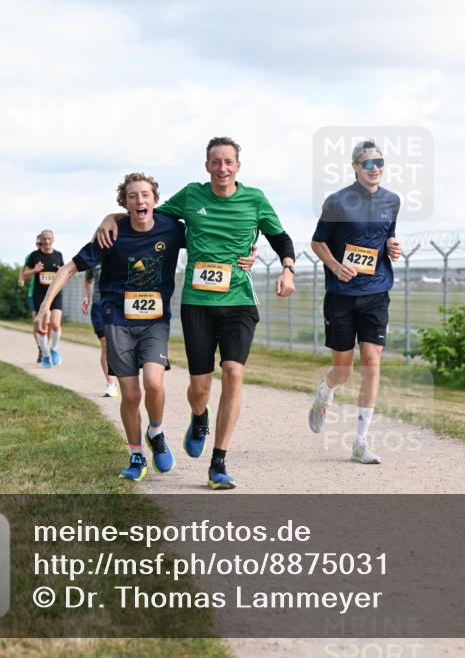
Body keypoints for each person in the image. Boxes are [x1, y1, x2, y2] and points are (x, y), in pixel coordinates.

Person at [96, 137, 296, 490]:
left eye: (228, 162)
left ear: (238, 166)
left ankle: (219, 462)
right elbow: (147, 214)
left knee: (233, 372)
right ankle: (199, 417)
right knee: (199, 387)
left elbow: (281, 238)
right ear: (207, 166)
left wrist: (287, 268)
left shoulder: (255, 199)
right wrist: (109, 217)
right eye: (215, 162)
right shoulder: (191, 196)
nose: (222, 168)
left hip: (238, 301)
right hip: (198, 304)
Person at [38, 173, 188, 482]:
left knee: (155, 383)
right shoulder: (111, 233)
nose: (140, 201)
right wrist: (45, 304)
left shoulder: (172, 228)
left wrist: (247, 252)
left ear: (155, 200)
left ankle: (156, 432)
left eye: (145, 195)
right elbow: (69, 268)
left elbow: (210, 238)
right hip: (118, 320)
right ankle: (136, 453)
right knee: (130, 395)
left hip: (155, 321)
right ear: (125, 202)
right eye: (133, 196)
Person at [308, 140, 402, 464]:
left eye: (380, 163)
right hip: (342, 297)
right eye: (368, 164)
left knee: (372, 364)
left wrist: (392, 245)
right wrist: (335, 265)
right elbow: (317, 242)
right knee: (343, 370)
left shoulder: (392, 200)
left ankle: (360, 443)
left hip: (376, 292)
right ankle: (326, 390)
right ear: (355, 167)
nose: (375, 169)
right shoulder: (337, 202)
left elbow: (387, 233)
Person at [22, 232, 64, 368]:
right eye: (44, 238)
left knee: (55, 324)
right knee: (42, 328)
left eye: (49, 238)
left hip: (55, 295)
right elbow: (24, 275)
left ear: (53, 239)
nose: (46, 241)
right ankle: (45, 355)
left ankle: (53, 349)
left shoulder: (58, 255)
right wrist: (35, 270)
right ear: (40, 240)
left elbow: (64, 273)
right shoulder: (34, 256)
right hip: (39, 296)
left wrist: (60, 272)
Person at [84, 265, 120, 397]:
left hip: (117, 305)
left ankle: (125, 379)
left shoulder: (121, 251)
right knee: (105, 343)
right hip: (99, 306)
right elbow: (87, 281)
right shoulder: (93, 259)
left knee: (117, 344)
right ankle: (111, 383)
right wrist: (87, 297)